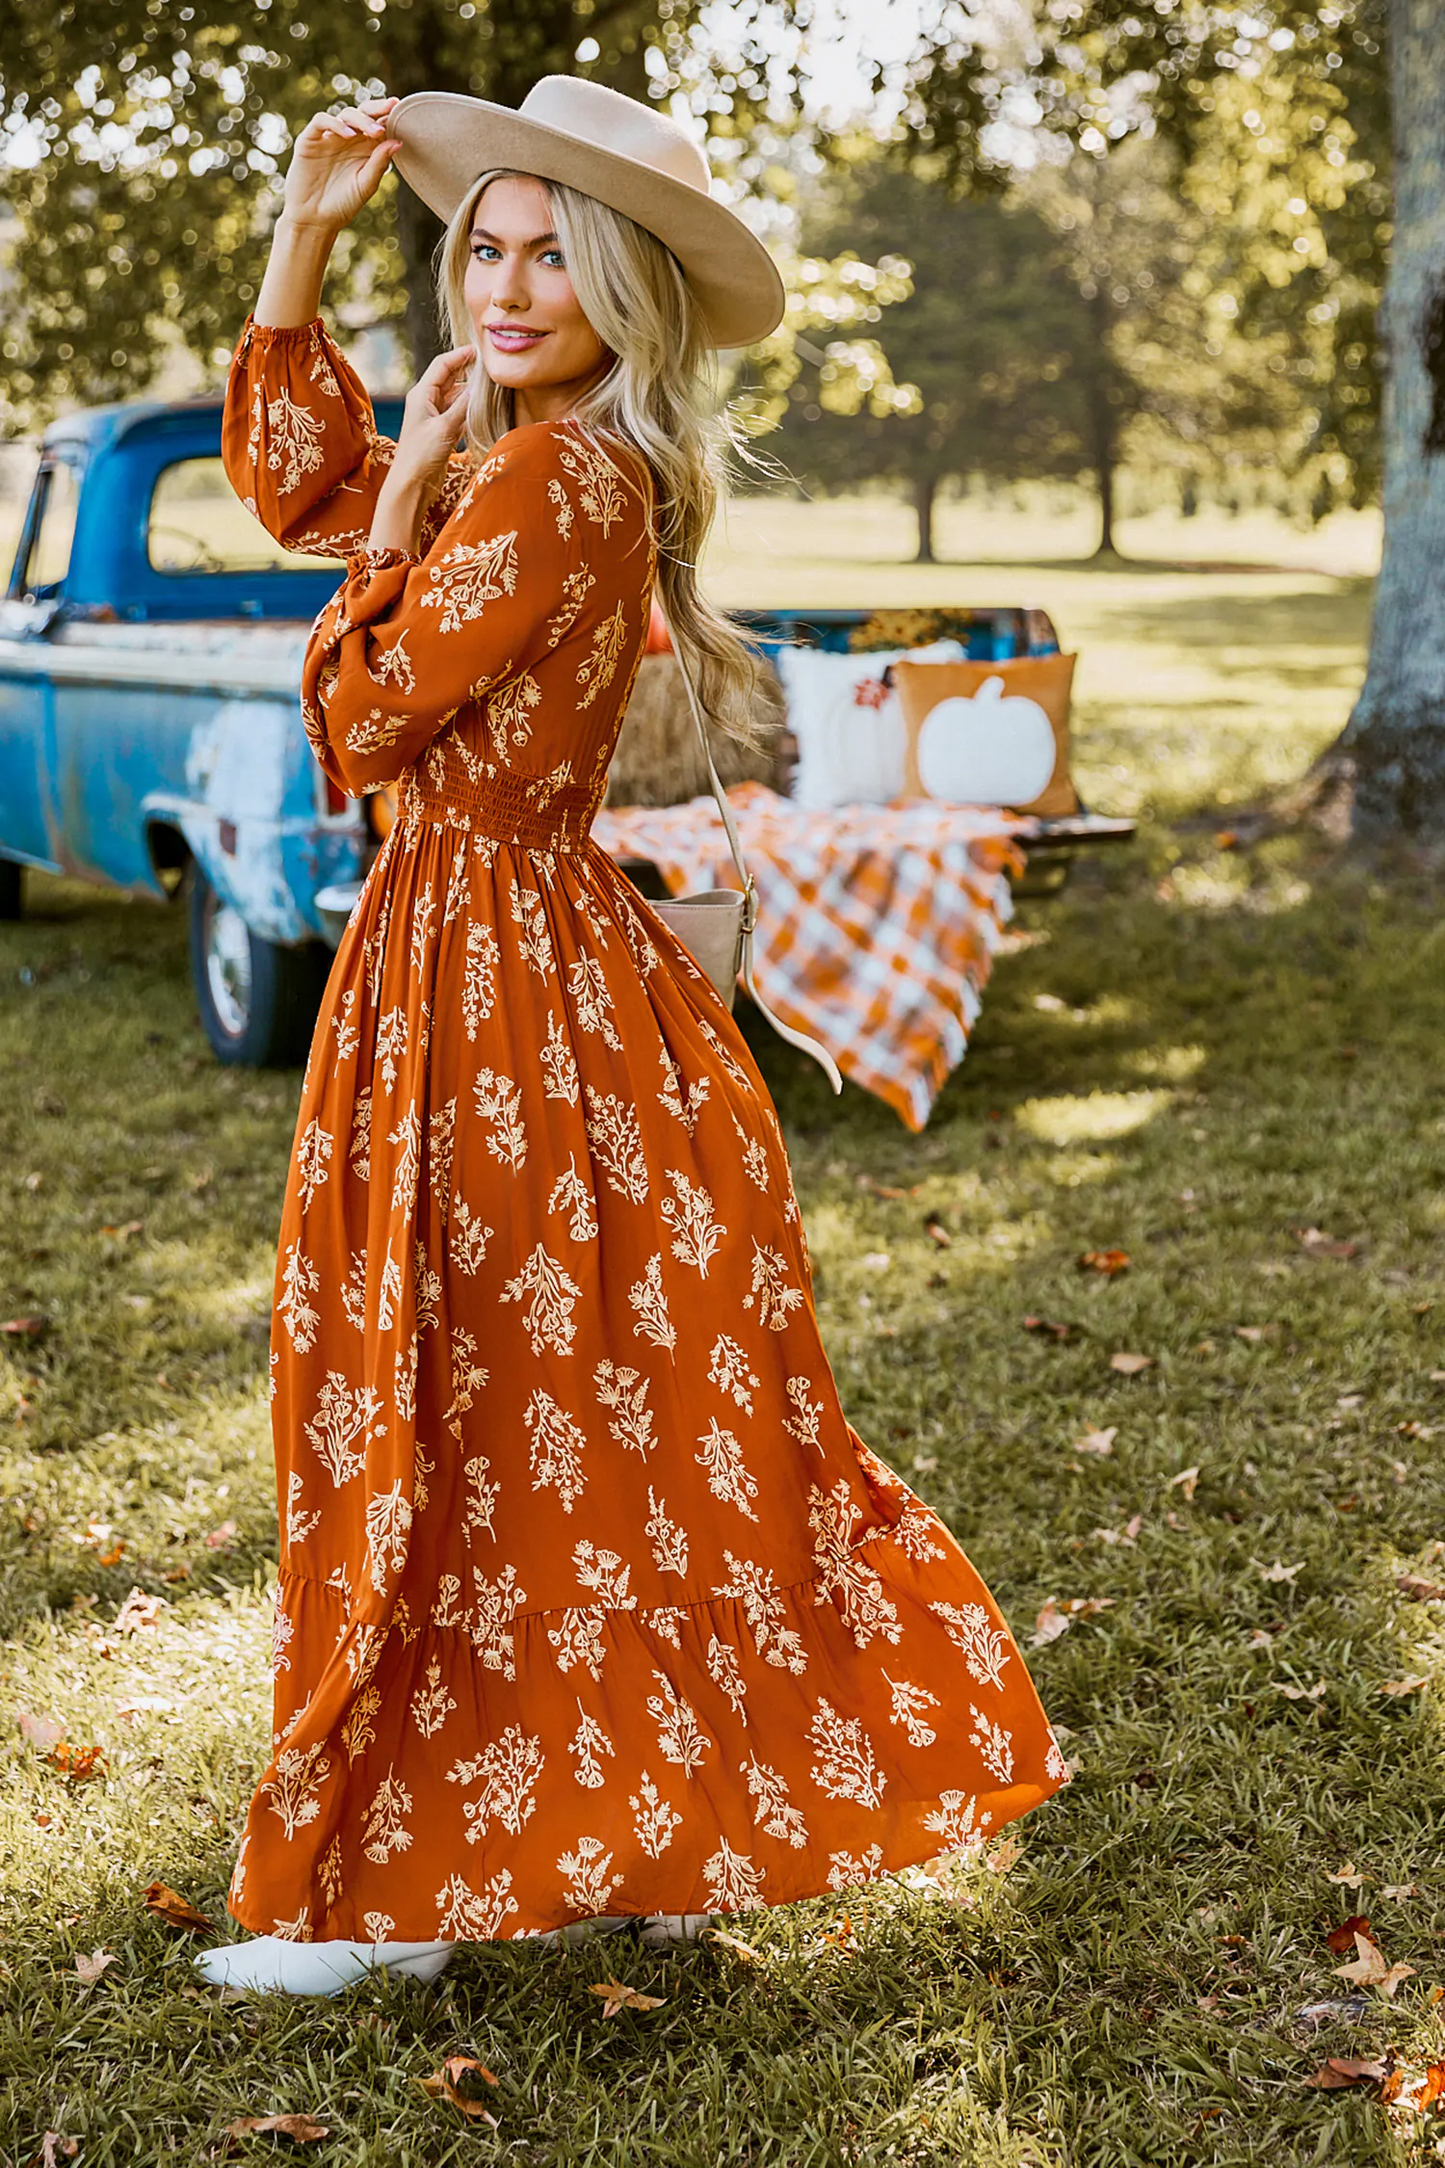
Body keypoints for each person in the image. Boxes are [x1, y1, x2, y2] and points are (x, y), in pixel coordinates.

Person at [199, 74, 1068, 1996]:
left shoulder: (546, 477)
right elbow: (296, 490)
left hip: (498, 972)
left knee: (452, 1390)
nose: (507, 291)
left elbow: (363, 715)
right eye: (482, 250)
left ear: (625, 283)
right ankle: (545, 1828)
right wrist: (306, 234)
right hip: (489, 958)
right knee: (533, 1403)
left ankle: (410, 1884)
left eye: (552, 256)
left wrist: (416, 492)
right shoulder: (531, 450)